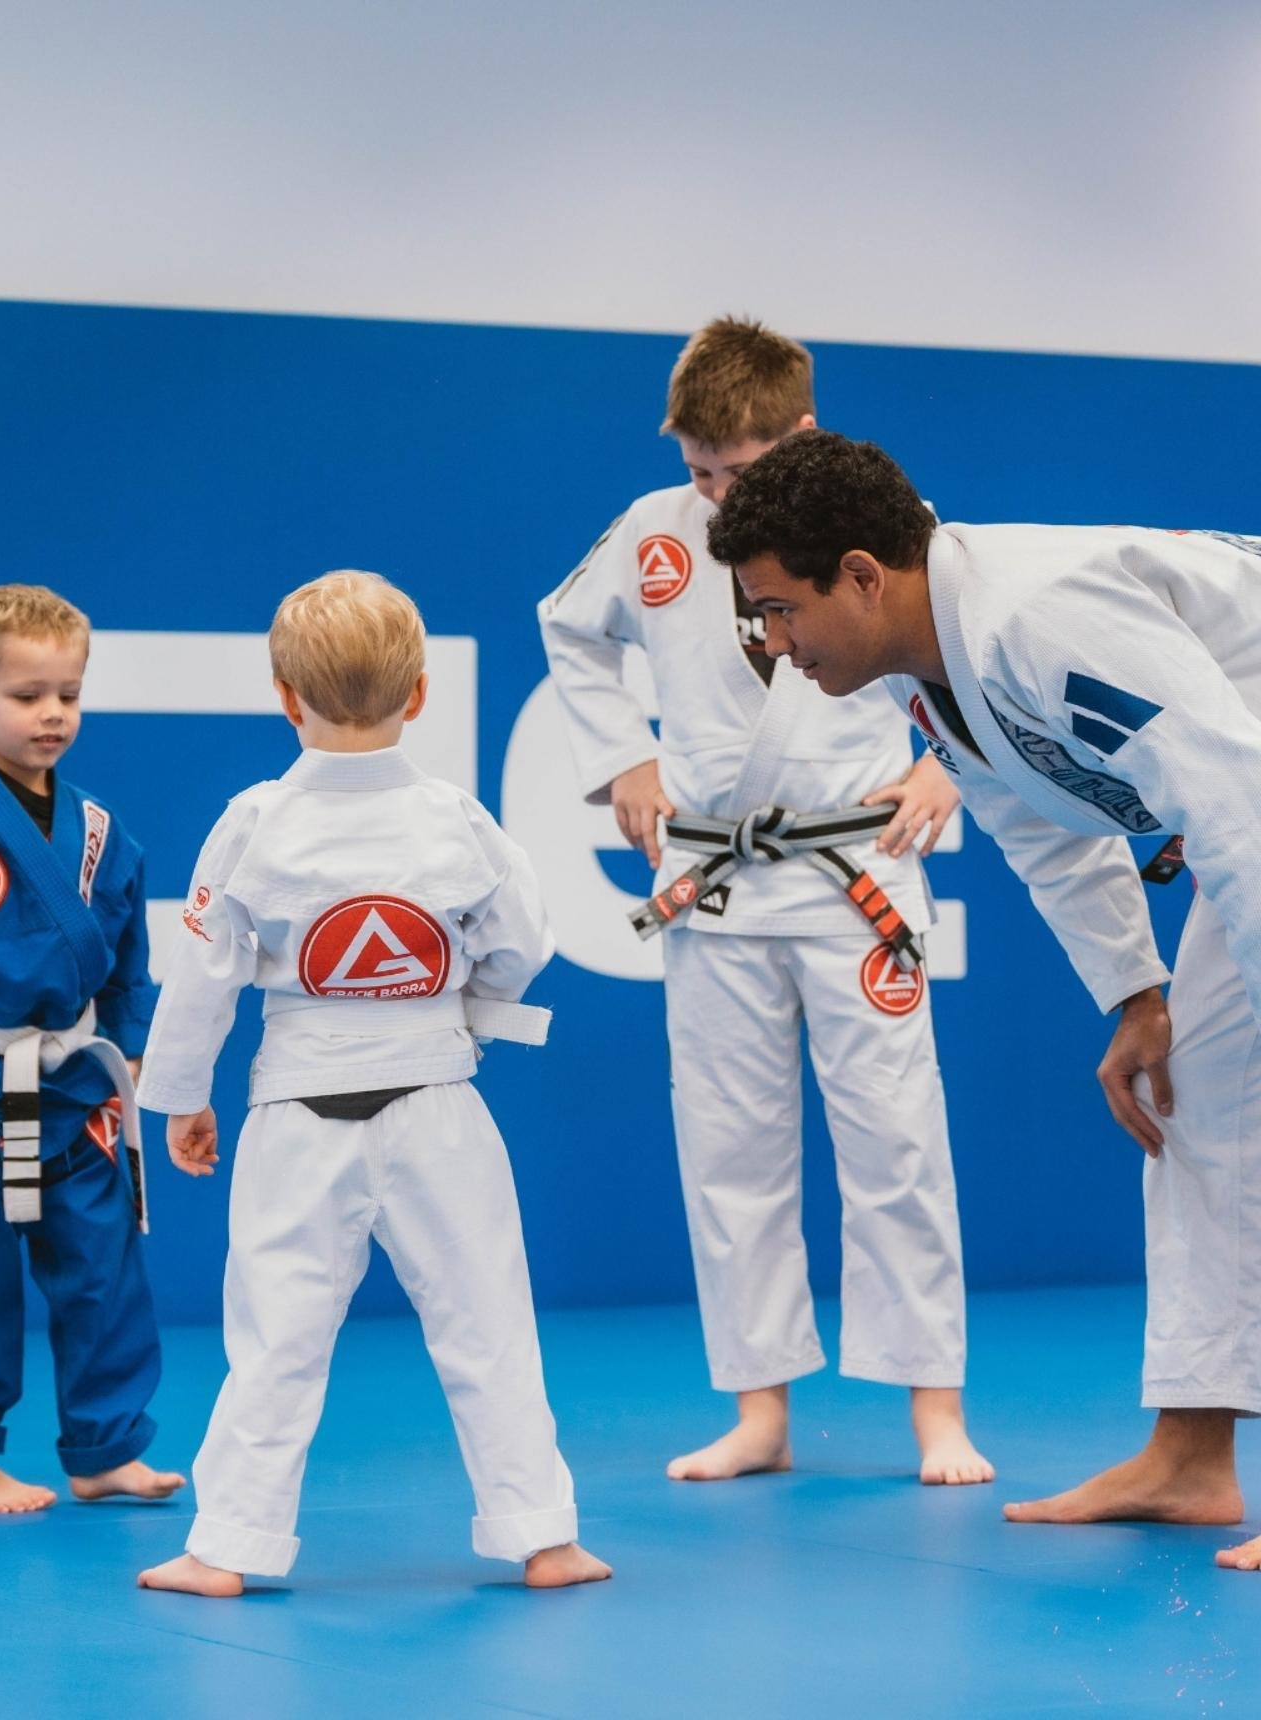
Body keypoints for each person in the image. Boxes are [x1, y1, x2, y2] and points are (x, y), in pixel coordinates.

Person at [706, 427, 1261, 1570]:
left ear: (861, 574)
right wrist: (1137, 993)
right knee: (1193, 1084)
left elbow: (1234, 803)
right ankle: (1193, 1457)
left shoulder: (1034, 623)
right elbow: (1051, 833)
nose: (771, 644)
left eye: (778, 610)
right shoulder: (941, 677)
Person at [539, 318, 993, 1486]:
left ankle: (933, 1408)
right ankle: (759, 1407)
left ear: (801, 433)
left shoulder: (892, 522)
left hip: (857, 872)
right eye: (697, 468)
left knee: (896, 1139)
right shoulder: (653, 533)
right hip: (717, 878)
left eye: (733, 470)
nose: (710, 491)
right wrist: (621, 761)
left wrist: (950, 761)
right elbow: (566, 627)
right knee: (729, 1145)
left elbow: (974, 652)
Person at [135, 570, 610, 1596]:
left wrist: (180, 1094)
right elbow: (523, 940)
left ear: (284, 694)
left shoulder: (254, 821)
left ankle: (228, 1546)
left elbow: (204, 969)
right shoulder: (457, 820)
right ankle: (544, 1536)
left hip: (297, 1106)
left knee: (275, 1334)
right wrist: (470, 1007)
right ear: (421, 693)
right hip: (436, 1094)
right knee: (487, 1317)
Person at [0, 584, 184, 1512]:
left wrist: (133, 1045)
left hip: (73, 1081)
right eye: (27, 696)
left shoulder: (99, 828)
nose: (53, 713)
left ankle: (104, 1447)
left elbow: (127, 956)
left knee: (102, 1265)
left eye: (67, 692)